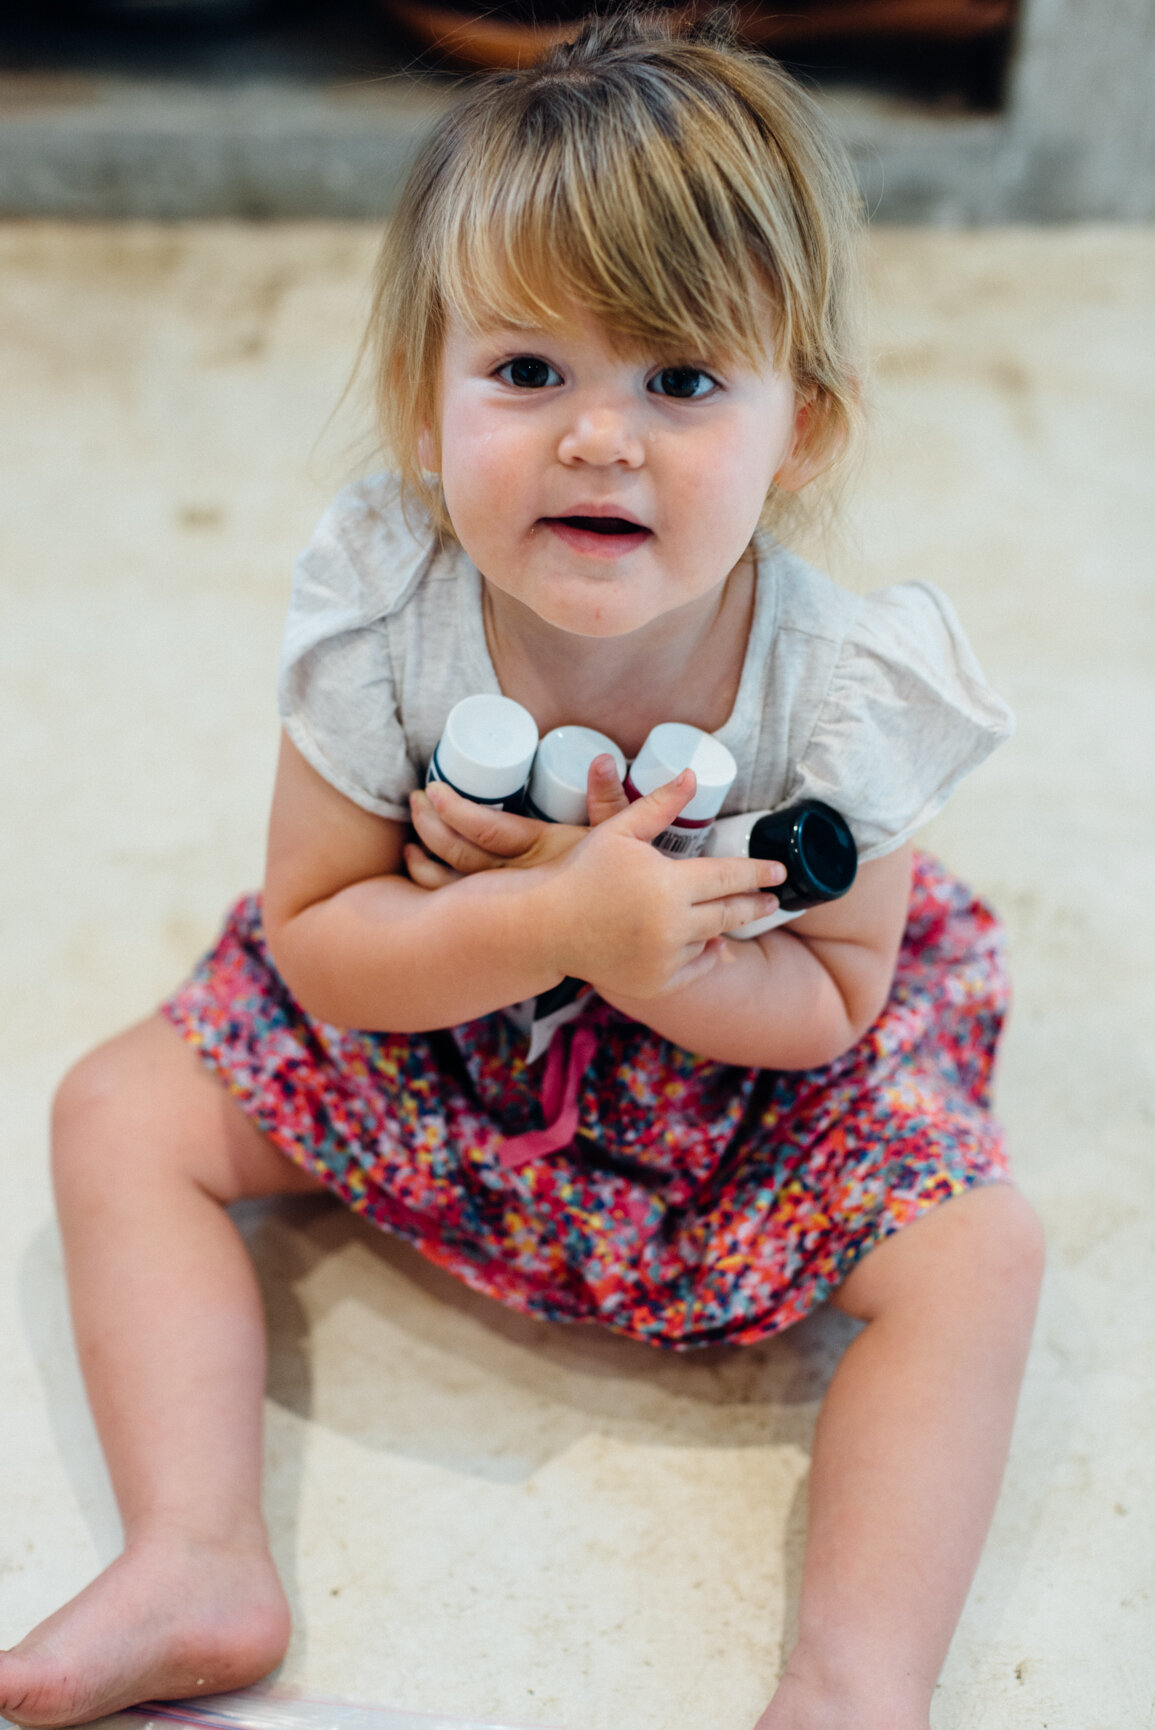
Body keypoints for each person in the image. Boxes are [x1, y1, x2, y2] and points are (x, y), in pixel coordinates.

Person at [1, 13, 1044, 1730]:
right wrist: (544, 916)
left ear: (808, 430)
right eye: (528, 371)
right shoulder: (386, 610)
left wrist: (652, 956)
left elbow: (844, 995)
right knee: (118, 1109)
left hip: (735, 1091)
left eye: (684, 380)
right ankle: (196, 1552)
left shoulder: (841, 691)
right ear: (428, 398)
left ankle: (856, 1682)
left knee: (981, 1253)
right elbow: (320, 942)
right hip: (436, 1012)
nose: (598, 437)